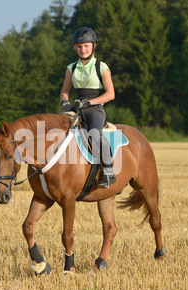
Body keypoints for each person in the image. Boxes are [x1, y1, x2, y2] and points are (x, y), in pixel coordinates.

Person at [60, 27, 116, 188]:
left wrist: (89, 102)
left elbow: (111, 94)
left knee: (94, 133)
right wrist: (65, 102)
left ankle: (108, 171)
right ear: (74, 47)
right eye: (79, 46)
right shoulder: (71, 68)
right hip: (76, 109)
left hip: (95, 110)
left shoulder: (101, 67)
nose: (82, 49)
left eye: (86, 46)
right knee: (56, 131)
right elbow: (64, 90)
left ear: (93, 46)